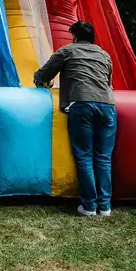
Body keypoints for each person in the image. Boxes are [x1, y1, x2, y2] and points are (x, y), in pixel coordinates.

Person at [34, 21, 116, 218]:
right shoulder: (104, 55)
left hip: (82, 105)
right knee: (104, 159)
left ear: (75, 36)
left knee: (84, 157)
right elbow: (108, 83)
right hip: (108, 106)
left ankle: (89, 205)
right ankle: (104, 206)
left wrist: (39, 80)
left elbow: (43, 75)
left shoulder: (67, 51)